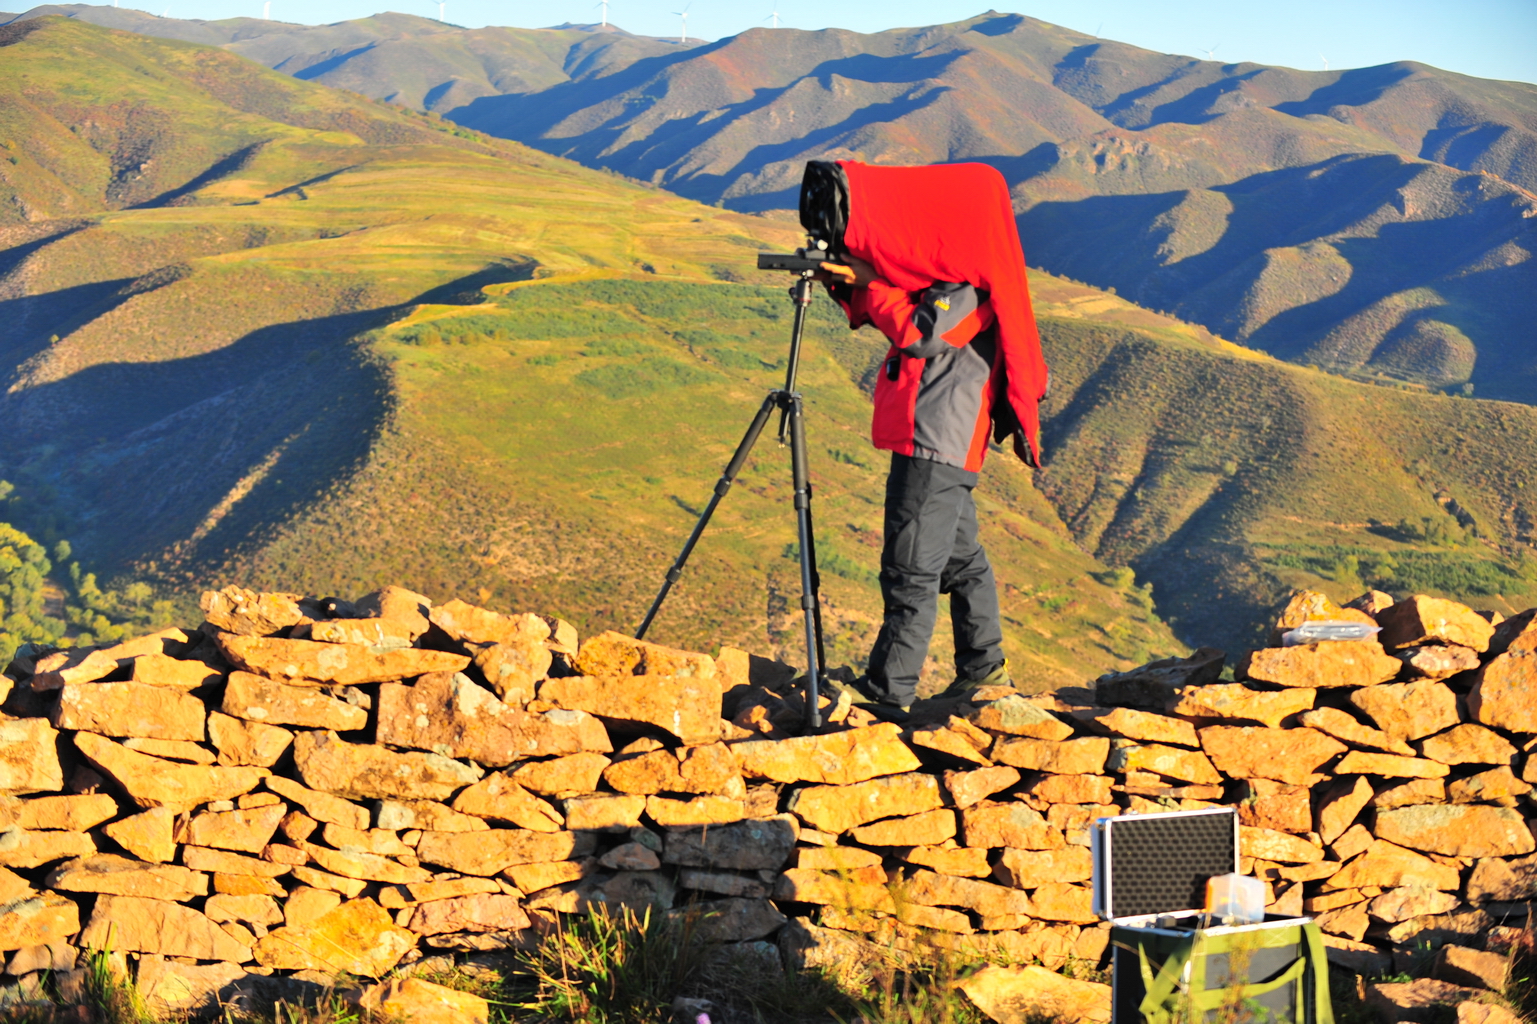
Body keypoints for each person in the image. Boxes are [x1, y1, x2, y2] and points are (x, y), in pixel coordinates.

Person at [807, 160, 1049, 718]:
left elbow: (922, 333)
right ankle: (984, 672)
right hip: (937, 441)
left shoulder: (972, 284)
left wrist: (871, 282)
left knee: (910, 569)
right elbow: (905, 308)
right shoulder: (955, 274)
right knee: (962, 560)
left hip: (937, 443)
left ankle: (890, 691)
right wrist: (854, 283)